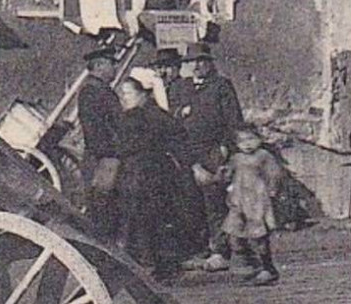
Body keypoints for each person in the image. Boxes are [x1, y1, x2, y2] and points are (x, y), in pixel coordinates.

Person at [175, 43, 245, 269]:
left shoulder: (221, 86)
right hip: (188, 154)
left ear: (210, 63)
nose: (196, 66)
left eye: (201, 61)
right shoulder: (182, 88)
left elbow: (233, 121)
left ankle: (220, 252)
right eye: (192, 62)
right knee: (190, 204)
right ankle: (199, 249)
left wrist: (225, 148)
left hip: (212, 151)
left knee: (214, 203)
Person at [116, 76, 191, 280]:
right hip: (139, 175)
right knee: (145, 220)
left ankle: (167, 266)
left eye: (128, 93)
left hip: (154, 176)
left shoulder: (154, 116)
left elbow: (178, 140)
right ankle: (156, 265)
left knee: (159, 220)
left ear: (143, 94)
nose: (124, 98)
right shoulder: (135, 116)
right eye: (123, 94)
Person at [222, 123, 284, 286]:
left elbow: (275, 174)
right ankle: (250, 263)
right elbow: (228, 174)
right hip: (239, 199)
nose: (247, 144)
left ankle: (268, 267)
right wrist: (224, 176)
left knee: (258, 235)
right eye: (242, 141)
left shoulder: (263, 156)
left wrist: (272, 190)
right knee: (234, 233)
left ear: (259, 139)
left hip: (257, 199)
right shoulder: (236, 158)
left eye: (251, 139)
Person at [76, 46, 125, 243]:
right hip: (103, 161)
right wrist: (116, 152)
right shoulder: (92, 91)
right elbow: (96, 132)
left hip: (105, 158)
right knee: (104, 210)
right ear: (98, 66)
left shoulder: (100, 90)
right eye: (111, 63)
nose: (115, 67)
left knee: (107, 210)